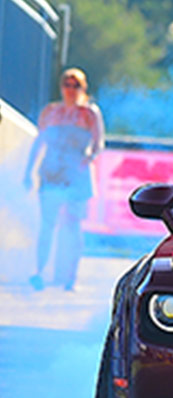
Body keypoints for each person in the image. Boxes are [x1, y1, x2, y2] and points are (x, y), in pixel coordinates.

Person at [22, 68, 105, 291]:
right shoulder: (50, 111)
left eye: (75, 85)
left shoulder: (89, 113)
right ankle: (39, 272)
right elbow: (38, 143)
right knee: (47, 225)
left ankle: (71, 277)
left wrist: (89, 156)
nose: (70, 90)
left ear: (83, 88)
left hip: (76, 175)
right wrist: (28, 171)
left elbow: (98, 143)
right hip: (51, 172)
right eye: (67, 85)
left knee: (72, 225)